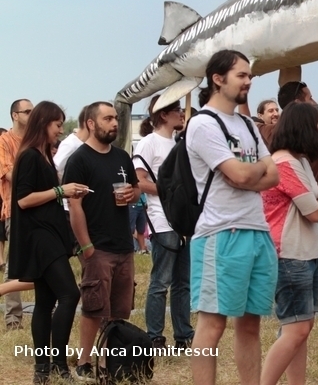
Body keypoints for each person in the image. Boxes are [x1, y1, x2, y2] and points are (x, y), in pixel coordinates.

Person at [244, 44, 318, 359]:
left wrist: (246, 82)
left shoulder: (269, 133)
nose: (315, 102)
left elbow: (244, 119)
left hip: (286, 225)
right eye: (310, 97)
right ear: (301, 102)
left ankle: (286, 337)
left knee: (298, 310)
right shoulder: (316, 125)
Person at [187, 49, 279, 385]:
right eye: (241, 75)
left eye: (250, 75)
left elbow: (273, 176)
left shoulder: (246, 124)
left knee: (251, 323)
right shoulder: (202, 124)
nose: (248, 81)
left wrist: (247, 172)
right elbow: (241, 176)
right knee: (212, 324)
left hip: (257, 230)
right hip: (219, 233)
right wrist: (250, 173)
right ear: (217, 78)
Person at [7, 101, 87, 383]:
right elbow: (24, 200)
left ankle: (44, 369)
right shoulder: (29, 156)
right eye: (57, 125)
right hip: (40, 237)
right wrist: (59, 190)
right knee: (70, 295)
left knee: (46, 301)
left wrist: (65, 193)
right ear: (44, 124)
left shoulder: (43, 156)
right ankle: (58, 364)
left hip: (48, 233)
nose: (59, 131)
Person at [63, 101, 140, 381]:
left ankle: (109, 361)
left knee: (120, 311)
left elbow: (135, 187)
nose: (114, 123)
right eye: (108, 119)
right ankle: (84, 362)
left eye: (116, 119)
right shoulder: (80, 159)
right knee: (94, 308)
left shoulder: (122, 157)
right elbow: (75, 207)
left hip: (123, 245)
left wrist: (134, 194)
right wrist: (86, 247)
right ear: (92, 124)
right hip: (98, 246)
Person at [260, 102, 318, 385]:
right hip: (289, 253)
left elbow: (316, 205)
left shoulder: (298, 161)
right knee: (296, 328)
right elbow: (315, 210)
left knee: (301, 326)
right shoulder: (285, 163)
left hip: (304, 250)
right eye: (316, 124)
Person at [133, 96, 193, 350]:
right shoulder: (148, 143)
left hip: (184, 221)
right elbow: (139, 181)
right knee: (161, 281)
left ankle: (184, 334)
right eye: (177, 110)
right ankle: (154, 335)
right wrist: (170, 191)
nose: (181, 114)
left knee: (184, 282)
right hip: (161, 220)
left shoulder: (181, 143)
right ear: (163, 115)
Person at [0, 98, 34, 330]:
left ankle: (46, 310)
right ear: (15, 115)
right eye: (27, 111)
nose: (32, 114)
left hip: (38, 209)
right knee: (14, 265)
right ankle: (13, 319)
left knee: (42, 263)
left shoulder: (34, 140)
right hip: (15, 210)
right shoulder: (4, 141)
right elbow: (10, 175)